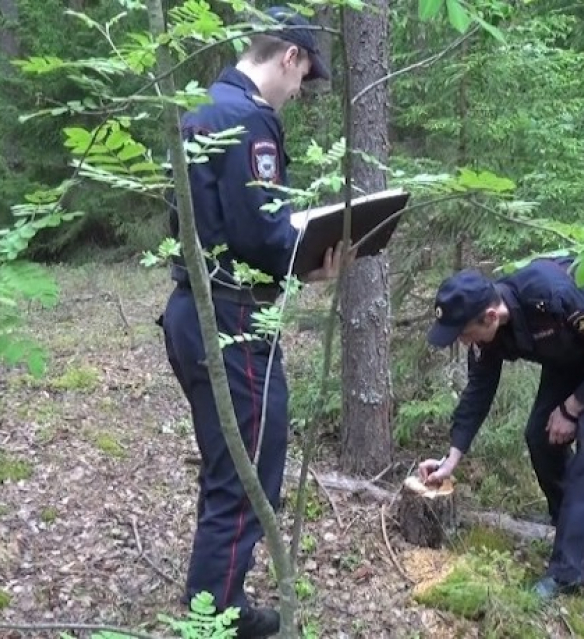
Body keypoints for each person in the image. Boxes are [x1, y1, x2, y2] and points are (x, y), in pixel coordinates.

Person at [159, 7, 340, 637]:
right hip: (232, 320)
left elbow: (193, 222)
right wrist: (312, 258)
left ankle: (214, 604)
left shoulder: (201, 109)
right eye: (303, 78)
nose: (297, 94)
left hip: (194, 312)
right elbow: (258, 234)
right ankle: (217, 620)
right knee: (244, 475)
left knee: (228, 469)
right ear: (289, 56)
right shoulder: (248, 119)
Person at [419, 256, 584, 600]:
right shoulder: (488, 329)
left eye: (465, 334)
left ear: (490, 317)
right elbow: (478, 391)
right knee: (540, 435)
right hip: (572, 352)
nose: (465, 343)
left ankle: (572, 573)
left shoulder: (554, 297)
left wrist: (571, 409)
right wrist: (452, 458)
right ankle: (569, 520)